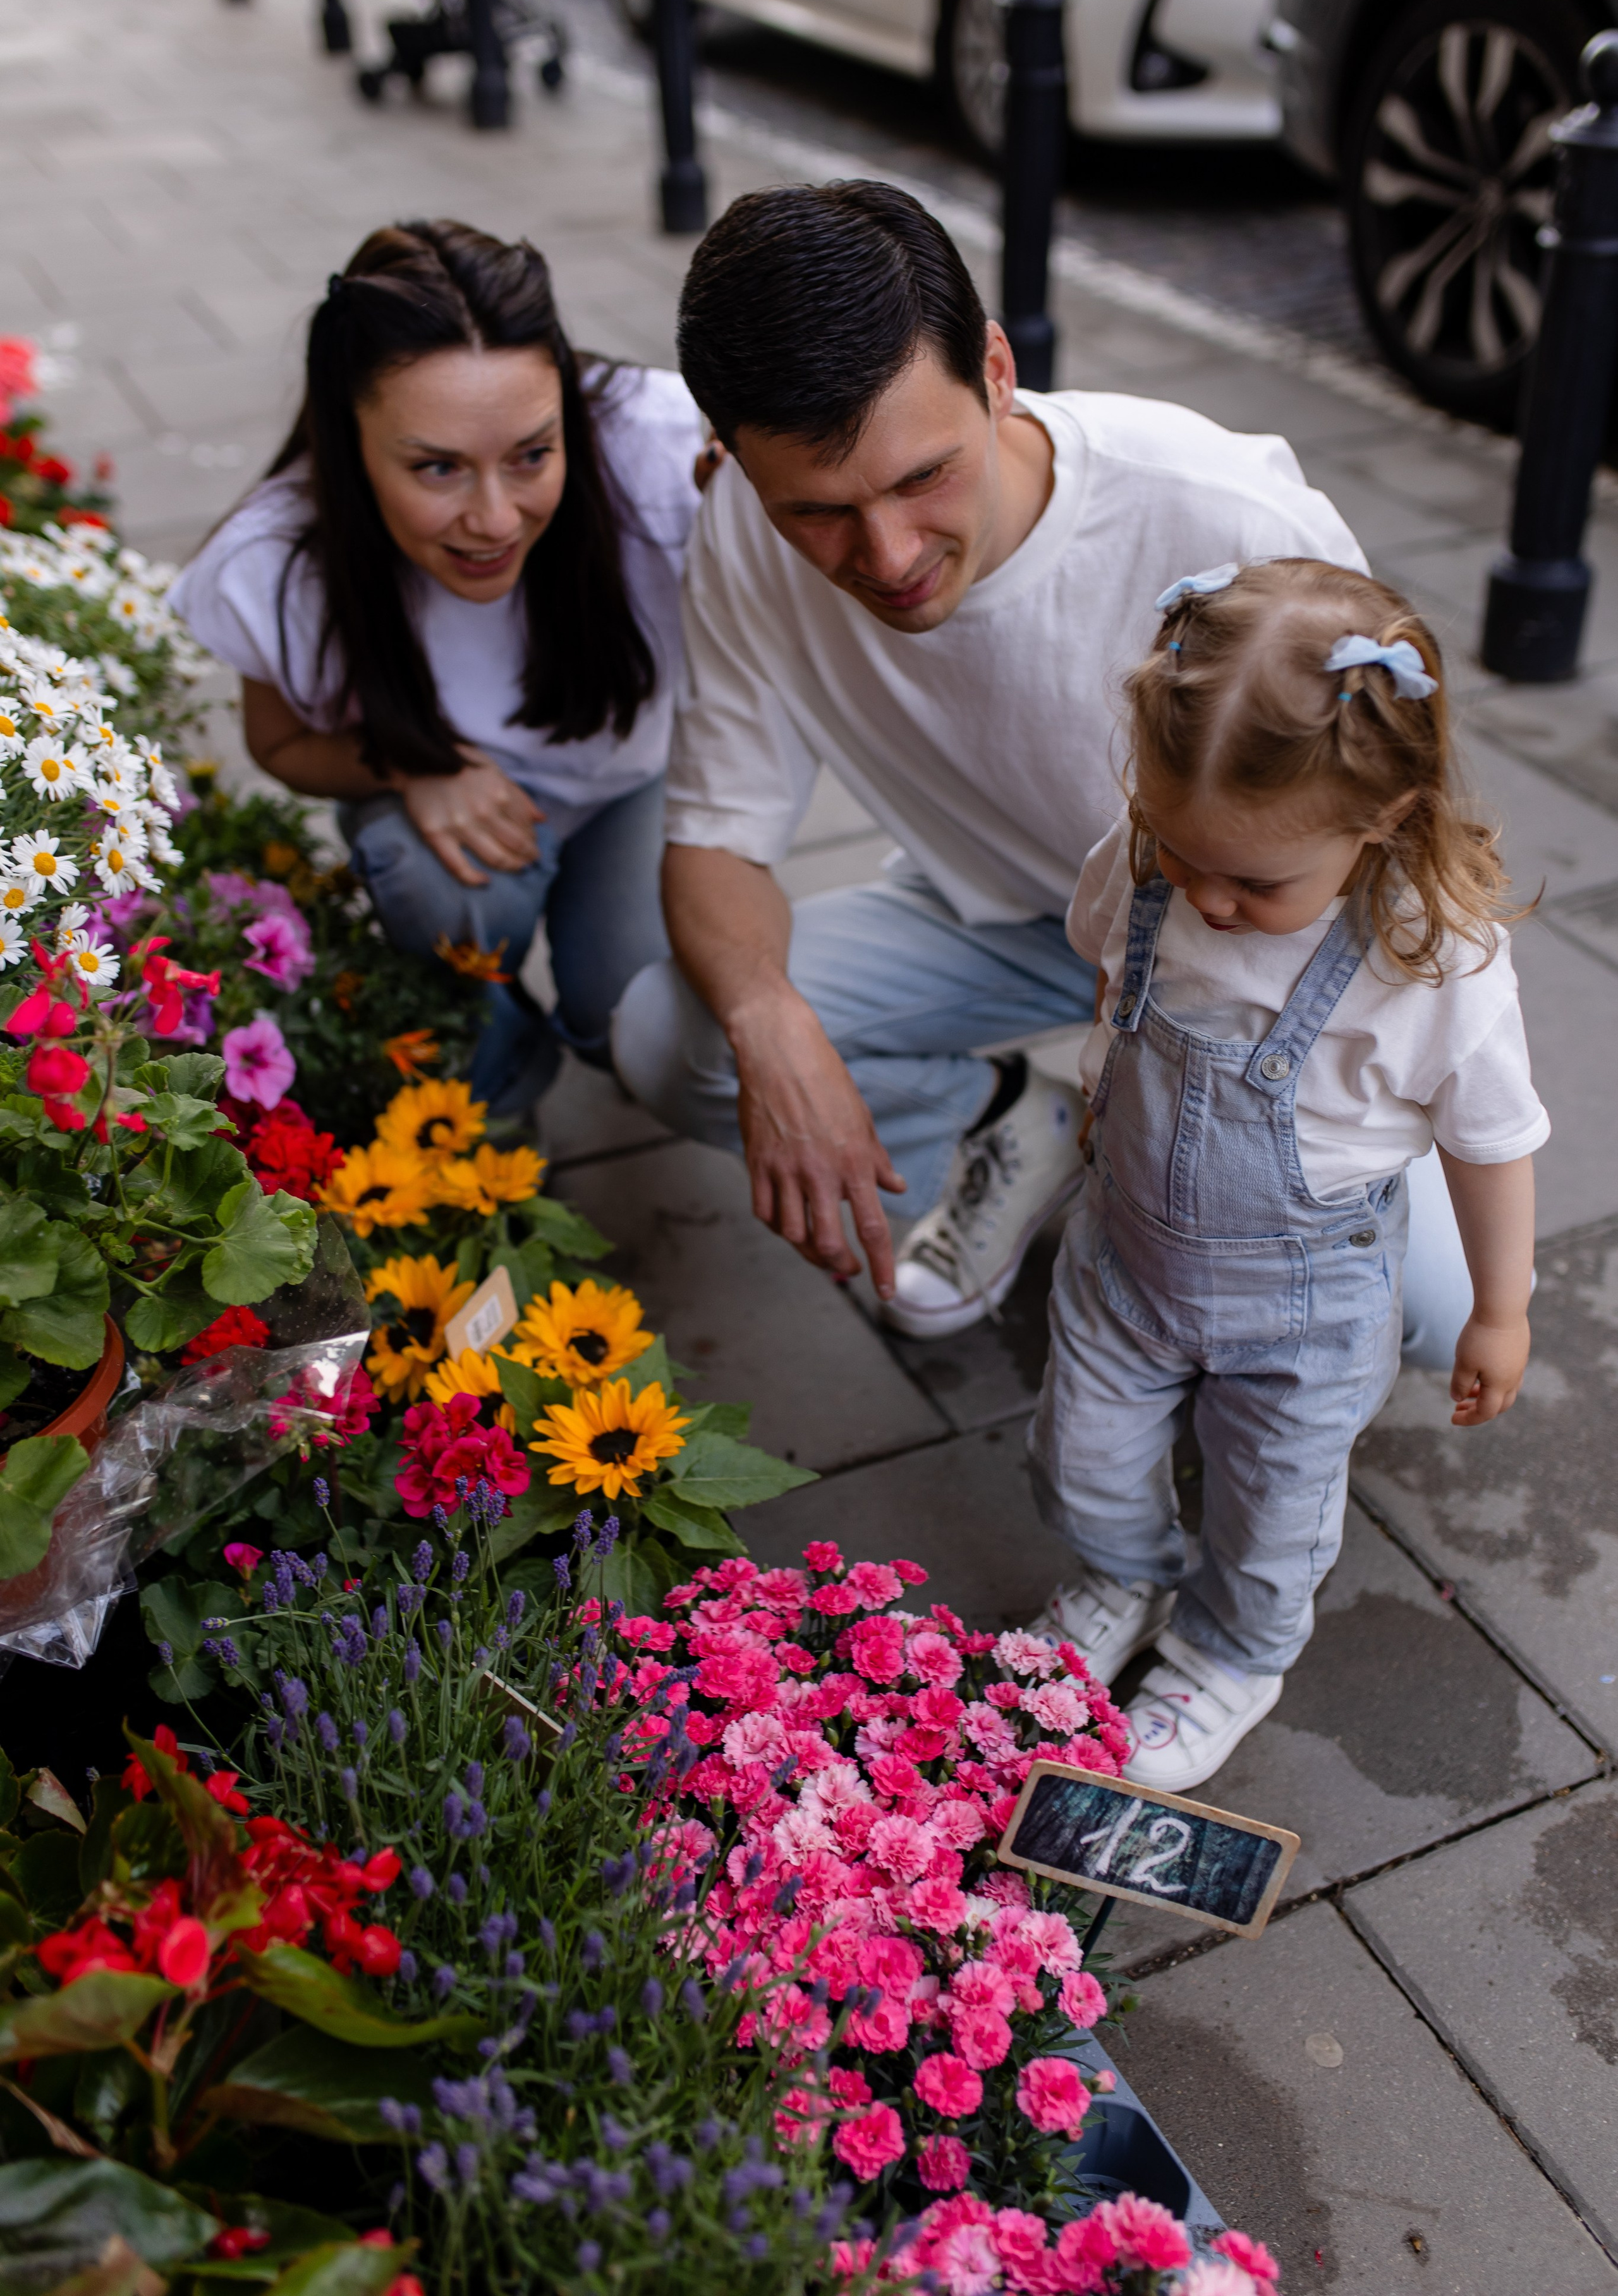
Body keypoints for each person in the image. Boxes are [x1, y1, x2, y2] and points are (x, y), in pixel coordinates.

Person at [612, 179, 1477, 1361]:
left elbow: (1395, 829)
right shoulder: (738, 533)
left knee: (1434, 1314)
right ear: (734, 458)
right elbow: (718, 837)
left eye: (923, 477)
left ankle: (1141, 1186)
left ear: (997, 370)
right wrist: (771, 1027)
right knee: (675, 1037)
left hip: (1252, 940)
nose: (888, 556)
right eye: (816, 511)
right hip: (1011, 920)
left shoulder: (1216, 509)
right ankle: (1014, 1125)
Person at [1028, 559, 1546, 1790]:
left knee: (1271, 1505)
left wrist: (1502, 1307)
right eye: (1180, 850)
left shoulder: (1431, 964)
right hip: (1125, 1252)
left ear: (1383, 818)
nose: (1206, 898)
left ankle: (1231, 1655)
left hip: (1304, 1301)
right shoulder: (1149, 867)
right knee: (1079, 1455)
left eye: (1256, 883)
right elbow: (1111, 976)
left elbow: (1490, 1142)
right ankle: (1122, 1575)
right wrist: (1103, 1089)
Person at [170, 219, 705, 1120]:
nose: (494, 519)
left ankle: (591, 1024)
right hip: (443, 812)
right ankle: (490, 1081)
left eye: (532, 455)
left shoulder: (659, 444)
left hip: (635, 779)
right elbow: (279, 743)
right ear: (352, 436)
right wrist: (415, 764)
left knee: (637, 1018)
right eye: (438, 468)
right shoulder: (280, 560)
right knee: (431, 885)